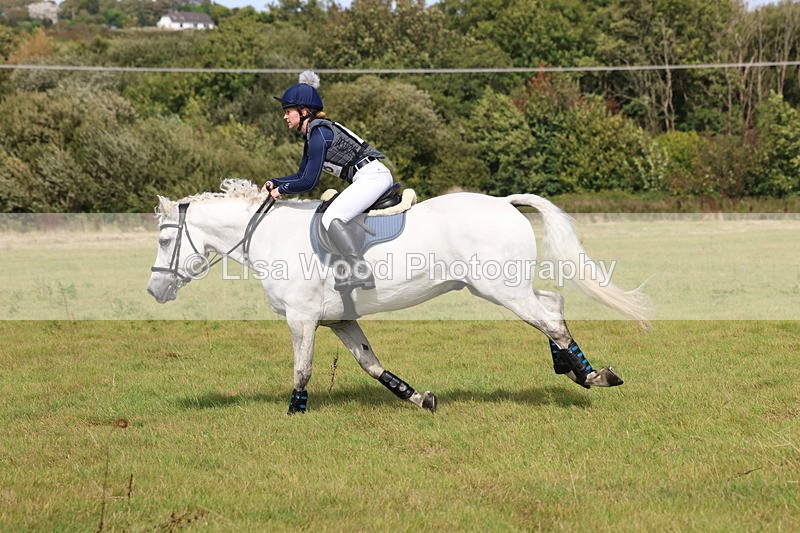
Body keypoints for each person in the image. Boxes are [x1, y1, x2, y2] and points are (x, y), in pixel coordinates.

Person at [263, 71, 392, 292]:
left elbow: (309, 183)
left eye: (288, 111)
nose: (284, 116)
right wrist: (275, 182)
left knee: (332, 216)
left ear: (304, 112)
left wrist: (282, 190)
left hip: (372, 176)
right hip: (366, 176)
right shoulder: (313, 135)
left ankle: (361, 271)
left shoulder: (319, 135)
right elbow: (300, 175)